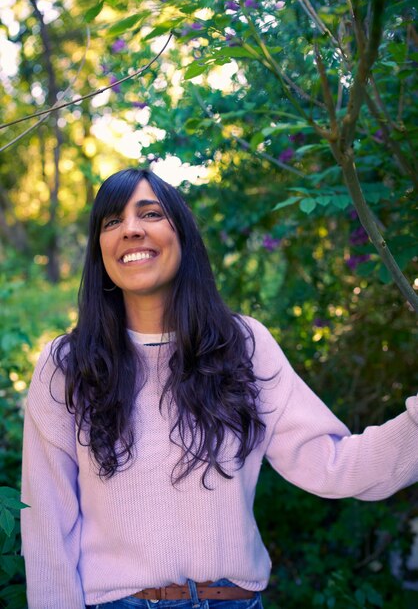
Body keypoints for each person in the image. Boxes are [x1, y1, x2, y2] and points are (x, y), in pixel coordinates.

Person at [21, 168, 418, 609]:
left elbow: (336, 465)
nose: (130, 229)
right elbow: (46, 528)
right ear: (101, 252)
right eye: (111, 222)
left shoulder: (242, 346)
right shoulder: (67, 364)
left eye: (149, 213)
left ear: (183, 236)